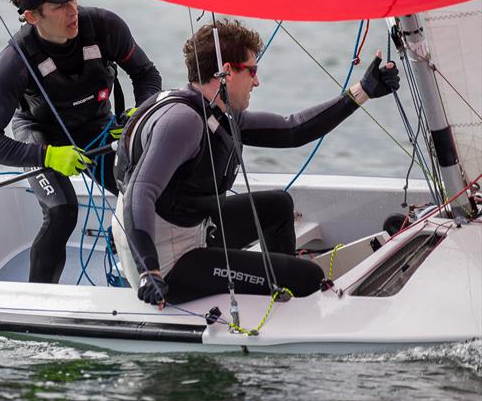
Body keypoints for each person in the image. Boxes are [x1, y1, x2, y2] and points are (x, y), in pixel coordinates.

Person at [112, 20, 400, 305]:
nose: (257, 81)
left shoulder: (218, 113)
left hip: (194, 230)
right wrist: (149, 271)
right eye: (252, 70)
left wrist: (363, 90)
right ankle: (285, 286)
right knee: (308, 277)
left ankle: (277, 291)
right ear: (226, 72)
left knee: (278, 206)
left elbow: (293, 130)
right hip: (167, 264)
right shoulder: (183, 121)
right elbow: (139, 192)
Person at [0, 0, 162, 283]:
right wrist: (48, 156)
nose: (73, 10)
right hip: (41, 138)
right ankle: (39, 300)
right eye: (60, 6)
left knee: (142, 194)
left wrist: (136, 115)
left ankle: (143, 277)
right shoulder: (16, 60)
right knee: (62, 212)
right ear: (32, 16)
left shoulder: (104, 27)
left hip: (97, 129)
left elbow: (146, 75)